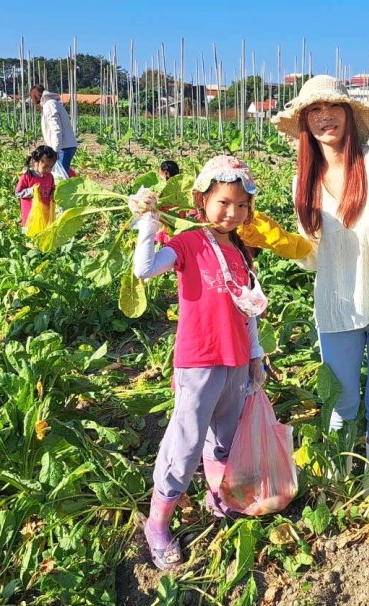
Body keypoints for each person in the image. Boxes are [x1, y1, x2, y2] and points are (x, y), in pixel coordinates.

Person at [241, 75, 369, 471]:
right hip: (338, 310)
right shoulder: (303, 184)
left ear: (348, 113)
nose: (325, 116)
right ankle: (341, 479)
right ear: (305, 124)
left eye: (333, 107)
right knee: (341, 404)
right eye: (314, 111)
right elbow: (313, 255)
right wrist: (278, 239)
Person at [132, 155, 267, 570]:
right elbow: (145, 269)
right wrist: (149, 224)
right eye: (224, 202)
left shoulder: (241, 251)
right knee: (185, 444)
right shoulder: (190, 243)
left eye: (241, 205)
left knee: (225, 439)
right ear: (201, 200)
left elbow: (249, 310)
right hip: (199, 361)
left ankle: (218, 497)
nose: (233, 212)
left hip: (235, 361)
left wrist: (256, 357)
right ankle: (157, 522)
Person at [29, 84, 77, 173]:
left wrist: (54, 152)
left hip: (62, 147)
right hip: (65, 146)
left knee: (59, 177)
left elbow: (56, 130)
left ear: (35, 97)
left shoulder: (49, 105)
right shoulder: (53, 103)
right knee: (60, 175)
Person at [15, 145, 56, 229]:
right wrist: (32, 191)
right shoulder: (27, 177)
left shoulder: (50, 177)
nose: (48, 170)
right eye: (45, 167)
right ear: (35, 162)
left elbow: (52, 188)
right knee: (30, 233)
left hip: (44, 212)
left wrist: (53, 193)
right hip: (30, 213)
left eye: (50, 167)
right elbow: (18, 193)